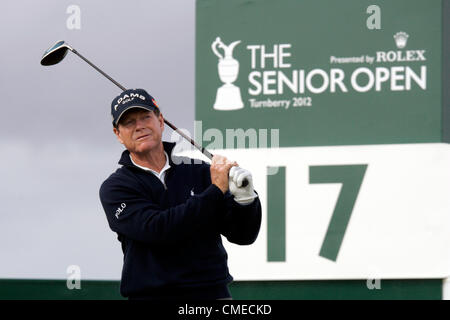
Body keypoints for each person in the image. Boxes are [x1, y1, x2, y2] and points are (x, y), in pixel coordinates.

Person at [99, 88, 262, 300]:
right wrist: (215, 191)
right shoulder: (116, 188)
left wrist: (246, 199)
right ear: (118, 134)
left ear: (160, 120)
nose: (139, 126)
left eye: (145, 117)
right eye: (129, 122)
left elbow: (243, 235)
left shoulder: (200, 171)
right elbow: (158, 229)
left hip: (212, 295)